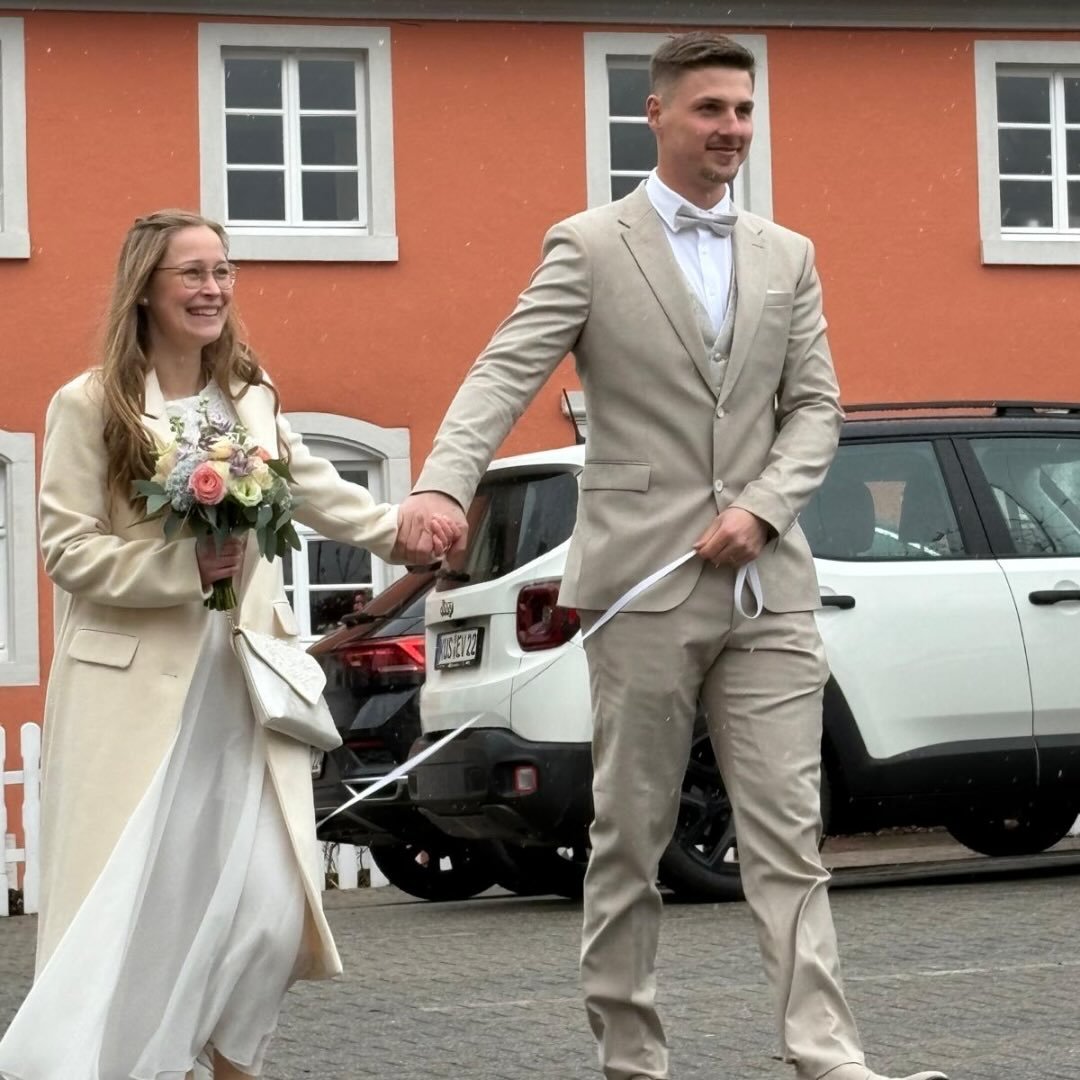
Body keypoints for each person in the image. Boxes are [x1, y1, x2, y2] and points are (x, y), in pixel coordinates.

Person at [394, 32, 947, 1080]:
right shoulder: (588, 245)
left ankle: (827, 1057)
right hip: (642, 585)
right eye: (710, 109)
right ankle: (631, 1058)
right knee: (631, 835)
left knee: (788, 835)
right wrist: (440, 483)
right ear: (654, 115)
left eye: (743, 110)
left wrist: (765, 511)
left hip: (769, 587)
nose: (732, 128)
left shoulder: (789, 254)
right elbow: (504, 372)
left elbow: (816, 409)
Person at [0, 209, 455, 1080]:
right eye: (193, 274)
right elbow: (67, 551)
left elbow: (308, 484)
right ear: (147, 288)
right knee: (139, 909)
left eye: (222, 272)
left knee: (268, 907)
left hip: (241, 687)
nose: (213, 290)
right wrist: (185, 567)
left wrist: (398, 530)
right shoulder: (89, 404)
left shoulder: (248, 393)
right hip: (134, 700)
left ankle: (224, 1054)